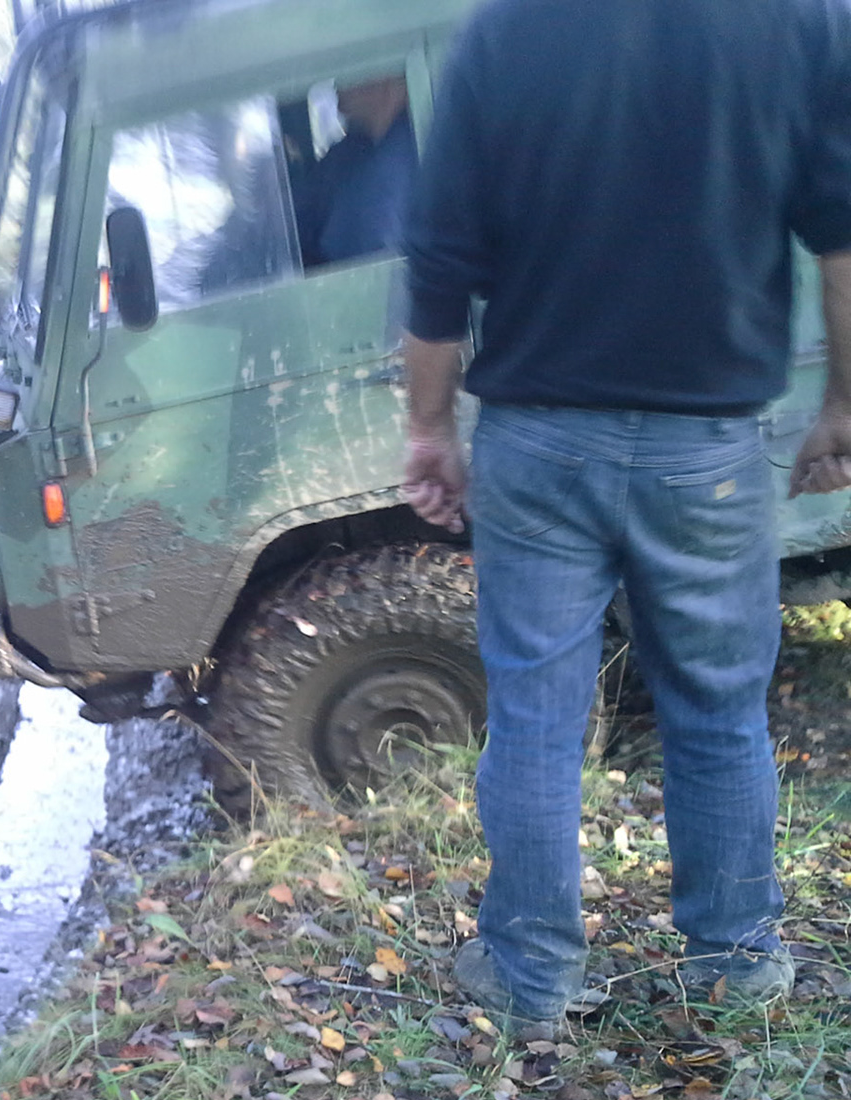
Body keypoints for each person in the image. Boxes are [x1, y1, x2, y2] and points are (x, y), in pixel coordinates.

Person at [401, 0, 851, 1037]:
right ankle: (736, 965)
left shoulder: (505, 28)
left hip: (537, 438)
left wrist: (429, 427)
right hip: (709, 446)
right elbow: (841, 230)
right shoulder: (798, 19)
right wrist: (844, 401)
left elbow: (440, 253)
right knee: (718, 709)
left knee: (536, 714)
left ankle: (529, 977)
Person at [293, 75, 415, 269]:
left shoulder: (413, 147)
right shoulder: (350, 152)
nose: (336, 84)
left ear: (384, 79)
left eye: (348, 74)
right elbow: (297, 222)